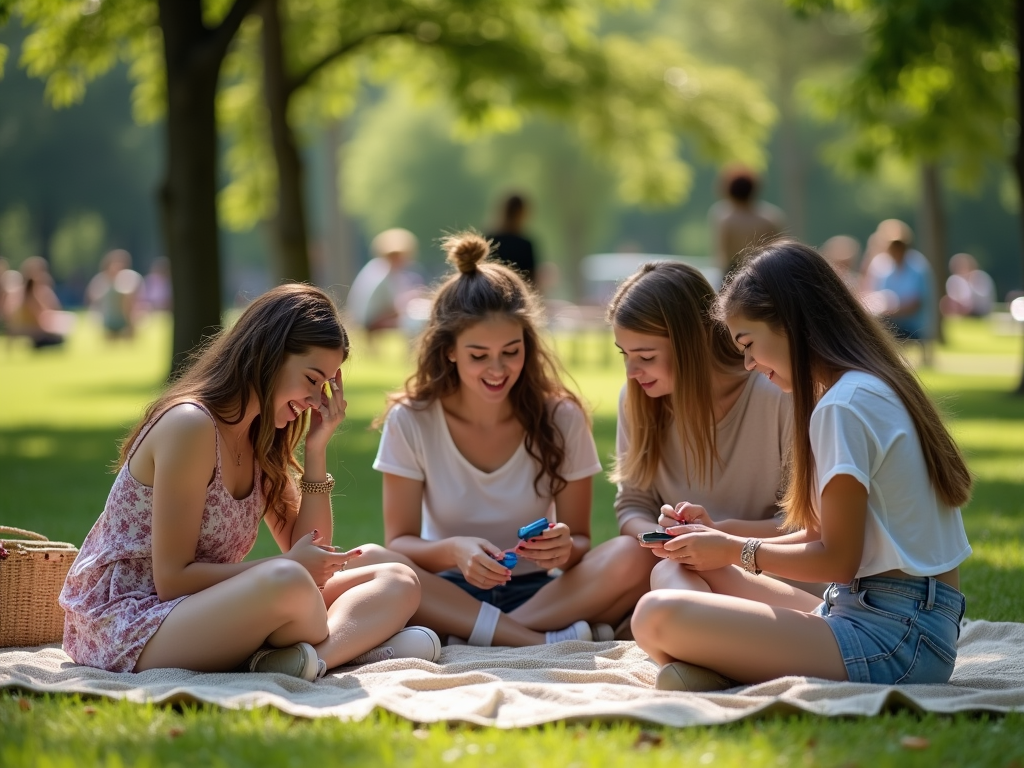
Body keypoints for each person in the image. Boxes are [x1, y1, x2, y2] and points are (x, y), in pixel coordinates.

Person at [631, 240, 971, 691]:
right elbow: (820, 533)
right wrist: (720, 535)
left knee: (655, 615)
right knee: (679, 570)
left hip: (896, 639)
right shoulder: (865, 387)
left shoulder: (843, 406)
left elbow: (838, 559)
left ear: (792, 323)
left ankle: (714, 662)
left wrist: (733, 551)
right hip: (877, 615)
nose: (750, 364)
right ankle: (713, 662)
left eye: (749, 344)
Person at [59, 284, 440, 679]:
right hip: (131, 623)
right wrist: (289, 565)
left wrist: (317, 449)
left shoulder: (261, 439)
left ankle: (310, 661)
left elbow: (309, 547)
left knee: (396, 576)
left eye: (324, 385)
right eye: (312, 379)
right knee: (290, 581)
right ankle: (345, 648)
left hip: (206, 607)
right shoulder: (191, 426)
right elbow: (172, 579)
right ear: (269, 356)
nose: (316, 399)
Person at [353, 231, 648, 647]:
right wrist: (453, 550)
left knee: (633, 553)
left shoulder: (562, 416)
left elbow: (580, 540)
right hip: (449, 592)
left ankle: (486, 636)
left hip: (542, 593)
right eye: (478, 355)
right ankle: (541, 640)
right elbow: (398, 542)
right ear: (449, 350)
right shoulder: (411, 420)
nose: (498, 369)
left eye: (511, 351)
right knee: (374, 560)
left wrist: (564, 548)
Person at [608, 261, 796, 619]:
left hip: (768, 570)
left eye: (646, 356)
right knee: (641, 560)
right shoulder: (637, 400)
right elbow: (631, 504)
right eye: (625, 355)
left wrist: (718, 538)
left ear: (692, 342)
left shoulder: (776, 395)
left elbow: (806, 526)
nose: (632, 373)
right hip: (684, 566)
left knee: (668, 582)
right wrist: (667, 539)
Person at [345, 228, 424, 344]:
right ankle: (413, 351)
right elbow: (394, 306)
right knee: (416, 321)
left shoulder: (375, 267)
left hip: (364, 317)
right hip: (371, 320)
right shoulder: (385, 274)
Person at [708, 165, 785, 276]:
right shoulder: (770, 218)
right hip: (765, 272)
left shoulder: (725, 218)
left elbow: (722, 257)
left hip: (734, 275)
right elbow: (780, 251)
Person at [11, 256, 70, 349]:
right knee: (59, 338)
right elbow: (42, 315)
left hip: (31, 328)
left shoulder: (23, 292)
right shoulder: (30, 295)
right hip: (34, 329)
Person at [87, 249, 143, 339]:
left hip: (128, 316)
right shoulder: (101, 280)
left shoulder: (130, 277)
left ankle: (129, 329)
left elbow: (136, 298)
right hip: (108, 317)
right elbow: (93, 299)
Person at [485, 193, 537, 285]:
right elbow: (531, 281)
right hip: (518, 295)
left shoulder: (489, 240)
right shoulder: (524, 245)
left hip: (490, 294)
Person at [941, 253, 995, 318]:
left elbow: (983, 298)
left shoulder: (980, 276)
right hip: (965, 308)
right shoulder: (956, 279)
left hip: (981, 309)